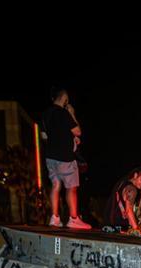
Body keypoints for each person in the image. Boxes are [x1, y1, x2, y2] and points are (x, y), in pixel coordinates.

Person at [40, 88, 90, 230]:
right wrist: (72, 114)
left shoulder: (45, 114)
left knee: (55, 185)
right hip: (65, 157)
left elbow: (44, 137)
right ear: (64, 98)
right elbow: (78, 131)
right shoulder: (63, 113)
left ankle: (54, 218)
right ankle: (74, 218)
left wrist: (68, 138)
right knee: (71, 187)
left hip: (50, 157)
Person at [104, 167, 141, 233]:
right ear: (135, 175)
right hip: (120, 227)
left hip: (108, 225)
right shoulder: (132, 189)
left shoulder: (121, 182)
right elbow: (129, 210)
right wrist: (136, 229)